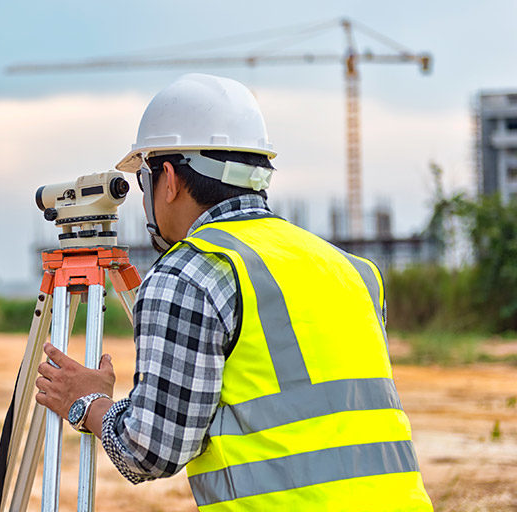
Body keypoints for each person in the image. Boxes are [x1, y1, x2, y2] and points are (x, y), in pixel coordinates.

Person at [34, 73, 432, 510]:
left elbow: (149, 452)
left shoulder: (189, 274)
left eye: (146, 178)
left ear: (168, 179)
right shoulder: (350, 269)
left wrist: (85, 401)